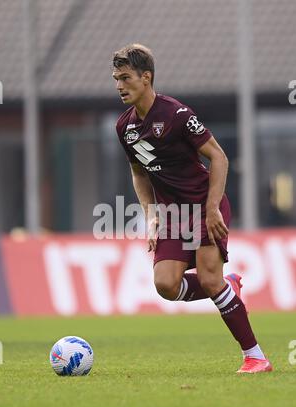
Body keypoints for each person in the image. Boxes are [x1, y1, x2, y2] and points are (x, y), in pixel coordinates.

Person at [113, 44, 272, 374]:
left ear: (146, 78)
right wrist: (151, 214)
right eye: (116, 78)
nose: (119, 85)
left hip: (204, 205)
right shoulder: (124, 127)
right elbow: (138, 173)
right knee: (166, 285)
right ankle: (228, 285)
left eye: (125, 78)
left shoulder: (176, 115)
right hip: (173, 216)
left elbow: (219, 157)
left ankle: (256, 357)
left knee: (211, 281)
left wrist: (213, 207)